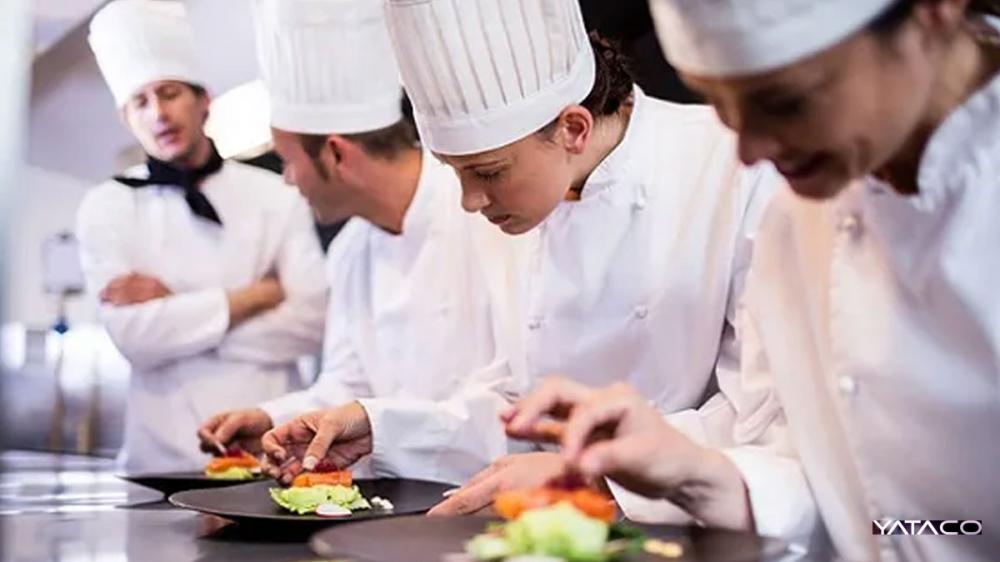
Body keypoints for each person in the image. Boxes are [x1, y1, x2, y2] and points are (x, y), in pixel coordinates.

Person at [505, 0, 1000, 559]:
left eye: (784, 101)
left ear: (934, 12)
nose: (750, 151)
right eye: (720, 104)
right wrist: (698, 472)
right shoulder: (800, 219)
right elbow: (865, 510)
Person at [264, 0, 780, 516]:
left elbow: (756, 420)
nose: (469, 201)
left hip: (699, 527)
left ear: (573, 129)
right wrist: (381, 426)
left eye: (487, 172)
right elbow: (518, 405)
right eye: (454, 171)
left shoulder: (735, 170)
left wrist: (593, 472)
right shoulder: (522, 206)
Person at [197, 0, 519, 485]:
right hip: (387, 503)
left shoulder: (486, 211)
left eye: (288, 160)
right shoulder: (350, 249)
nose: (288, 181)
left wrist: (385, 426)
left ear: (336, 153)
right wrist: (270, 418)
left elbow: (514, 393)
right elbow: (346, 384)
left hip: (492, 496)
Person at [77, 0, 327, 472]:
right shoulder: (107, 204)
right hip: (157, 460)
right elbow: (133, 338)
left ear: (204, 99)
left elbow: (311, 322)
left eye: (169, 93)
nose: (158, 114)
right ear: (126, 118)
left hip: (268, 452)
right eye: (140, 102)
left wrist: (178, 310)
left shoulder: (277, 194)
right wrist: (256, 296)